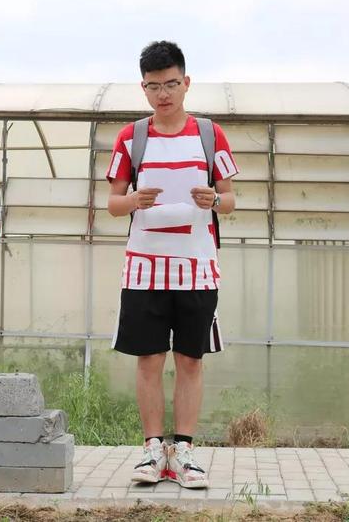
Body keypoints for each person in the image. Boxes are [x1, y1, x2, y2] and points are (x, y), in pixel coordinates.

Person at [106, 40, 238, 489]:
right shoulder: (131, 137)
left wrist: (213, 199)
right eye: (154, 86)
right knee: (149, 358)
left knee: (190, 359)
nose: (163, 94)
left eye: (171, 84)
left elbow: (230, 199)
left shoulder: (210, 135)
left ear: (186, 83)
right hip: (144, 268)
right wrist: (134, 200)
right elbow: (112, 204)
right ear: (143, 88)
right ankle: (151, 451)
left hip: (196, 266)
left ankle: (183, 453)